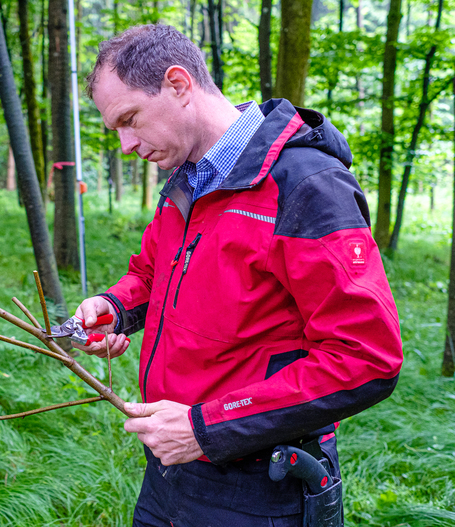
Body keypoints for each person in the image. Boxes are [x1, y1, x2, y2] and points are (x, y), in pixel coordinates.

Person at [73, 24, 403, 526]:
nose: (125, 144)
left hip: (261, 487)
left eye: (130, 119)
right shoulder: (189, 178)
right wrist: (114, 308)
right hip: (169, 468)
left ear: (179, 84)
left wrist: (206, 428)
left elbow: (367, 357)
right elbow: (153, 271)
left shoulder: (307, 185)